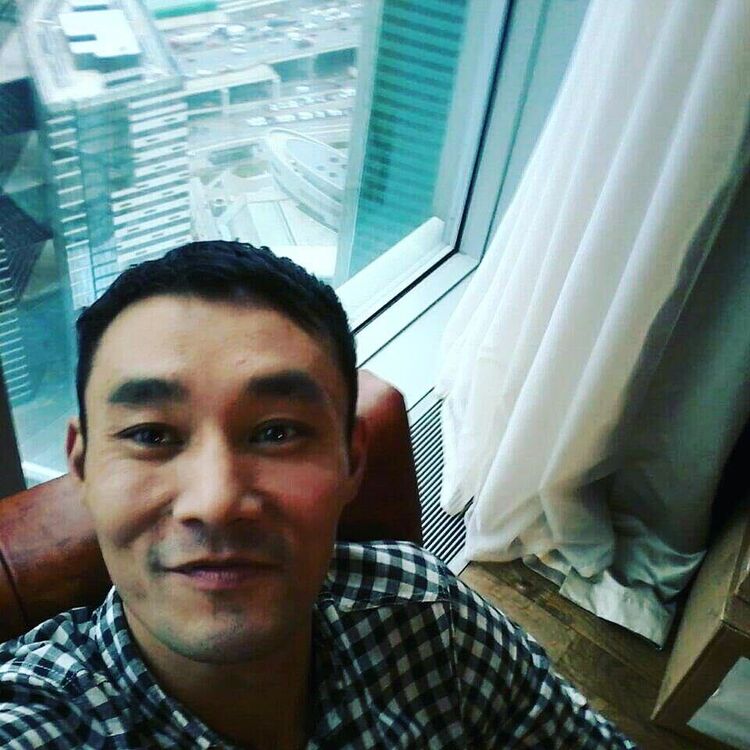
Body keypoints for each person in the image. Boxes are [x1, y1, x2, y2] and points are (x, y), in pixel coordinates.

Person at [0, 241, 637, 749]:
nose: (215, 501)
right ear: (82, 466)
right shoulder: (41, 718)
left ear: (352, 460)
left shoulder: (428, 613)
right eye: (151, 434)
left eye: (277, 432)